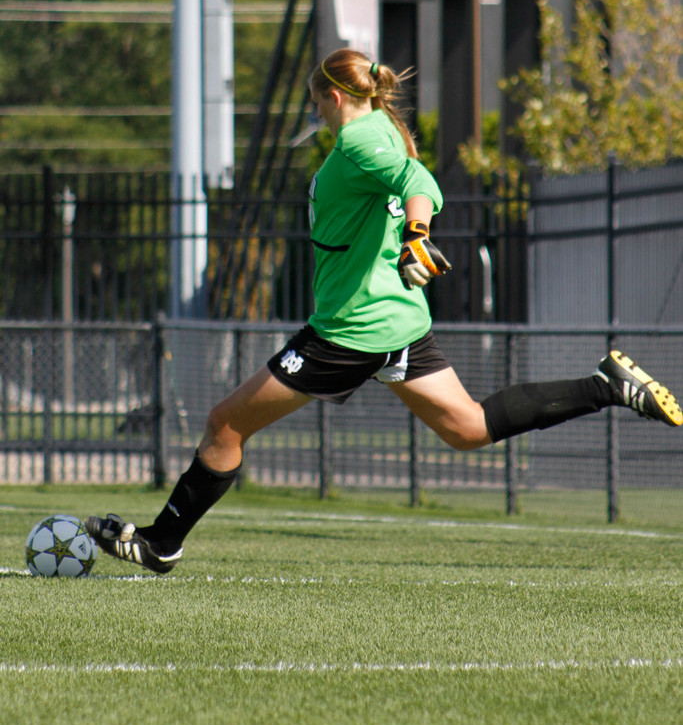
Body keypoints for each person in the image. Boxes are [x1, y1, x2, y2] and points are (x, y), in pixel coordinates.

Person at [86, 48, 683, 573]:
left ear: (336, 95)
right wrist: (411, 239)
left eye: (318, 101)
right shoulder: (382, 130)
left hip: (350, 331)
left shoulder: (359, 137)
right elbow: (409, 177)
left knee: (225, 424)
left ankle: (163, 543)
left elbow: (418, 178)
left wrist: (417, 234)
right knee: (468, 428)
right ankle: (606, 387)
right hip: (396, 320)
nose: (316, 112)